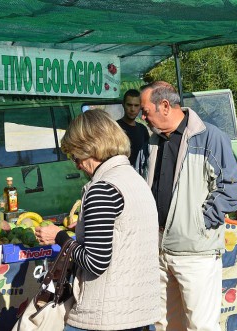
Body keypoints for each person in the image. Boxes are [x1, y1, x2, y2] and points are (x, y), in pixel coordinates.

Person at [35, 109, 160, 331]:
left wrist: (60, 236)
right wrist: (85, 227)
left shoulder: (102, 189)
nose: (76, 165)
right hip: (140, 311)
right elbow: (124, 234)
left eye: (75, 156)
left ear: (89, 147)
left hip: (105, 316)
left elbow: (95, 261)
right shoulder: (135, 180)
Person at [140, 81, 237, 331]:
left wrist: (198, 224)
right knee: (164, 324)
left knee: (200, 326)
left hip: (196, 253)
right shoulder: (151, 144)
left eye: (146, 110)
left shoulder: (209, 137)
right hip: (158, 251)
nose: (142, 116)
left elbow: (230, 190)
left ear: (164, 106)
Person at [117, 89, 149, 176]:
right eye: (129, 105)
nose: (132, 109)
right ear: (123, 105)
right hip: (119, 176)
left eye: (136, 105)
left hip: (139, 177)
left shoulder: (143, 129)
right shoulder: (114, 128)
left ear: (140, 107)